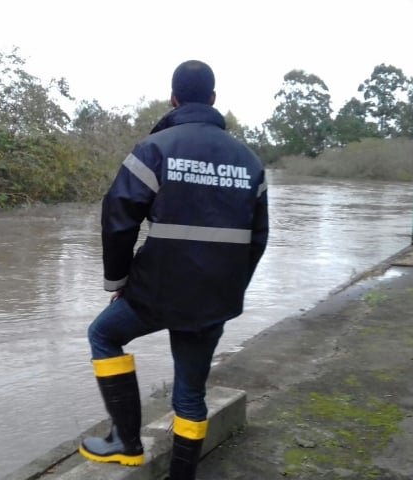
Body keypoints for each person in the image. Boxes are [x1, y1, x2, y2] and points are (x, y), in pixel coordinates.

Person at [78, 60, 269, 480]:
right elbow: (257, 240)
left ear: (173, 99)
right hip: (214, 296)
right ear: (214, 100)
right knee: (190, 394)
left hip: (155, 292)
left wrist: (120, 282)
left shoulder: (156, 148)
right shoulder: (250, 161)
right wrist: (228, 290)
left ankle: (126, 442)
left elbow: (118, 217)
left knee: (103, 335)